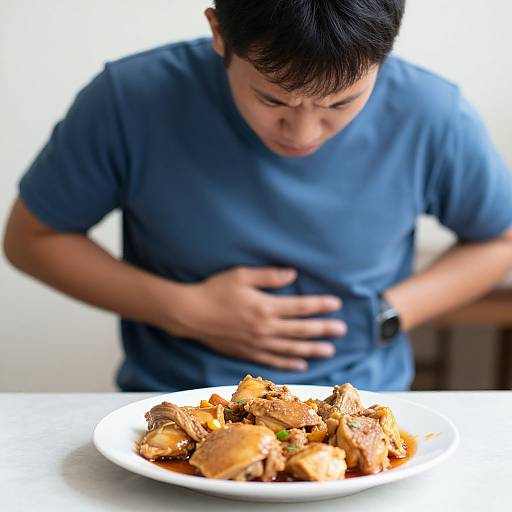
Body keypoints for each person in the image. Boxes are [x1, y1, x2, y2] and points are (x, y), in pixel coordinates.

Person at [4, 1, 512, 392]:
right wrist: (184, 309)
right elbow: (32, 237)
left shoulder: (432, 114)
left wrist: (387, 315)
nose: (305, 132)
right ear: (219, 34)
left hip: (363, 413)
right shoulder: (129, 99)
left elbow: (501, 240)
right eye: (274, 99)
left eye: (342, 101)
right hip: (169, 409)